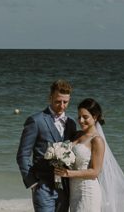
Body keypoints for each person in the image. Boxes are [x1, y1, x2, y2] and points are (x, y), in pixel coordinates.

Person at [54, 98, 124, 212]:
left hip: (88, 192)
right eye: (79, 116)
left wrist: (68, 173)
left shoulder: (97, 140)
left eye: (85, 117)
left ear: (95, 117)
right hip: (73, 192)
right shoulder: (76, 135)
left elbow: (95, 172)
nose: (81, 120)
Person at [17, 80, 80, 212]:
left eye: (65, 102)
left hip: (65, 188)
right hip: (43, 187)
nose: (62, 106)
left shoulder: (72, 123)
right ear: (50, 97)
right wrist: (33, 183)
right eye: (58, 101)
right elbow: (23, 155)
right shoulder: (36, 121)